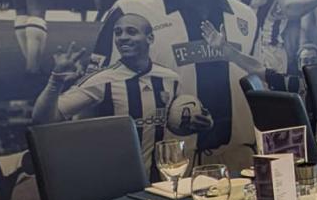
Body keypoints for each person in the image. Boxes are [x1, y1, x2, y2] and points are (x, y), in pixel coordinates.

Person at [91, 0, 258, 168]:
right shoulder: (133, 12)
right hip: (168, 170)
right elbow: (98, 99)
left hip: (239, 166)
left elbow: (259, 86)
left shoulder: (245, 16)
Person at [32, 13, 199, 174]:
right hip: (114, 181)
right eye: (118, 32)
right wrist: (56, 81)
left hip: (157, 182)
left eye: (131, 32)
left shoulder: (170, 79)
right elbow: (44, 120)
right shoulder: (101, 81)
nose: (122, 37)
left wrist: (197, 123)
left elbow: (172, 124)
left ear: (150, 38)